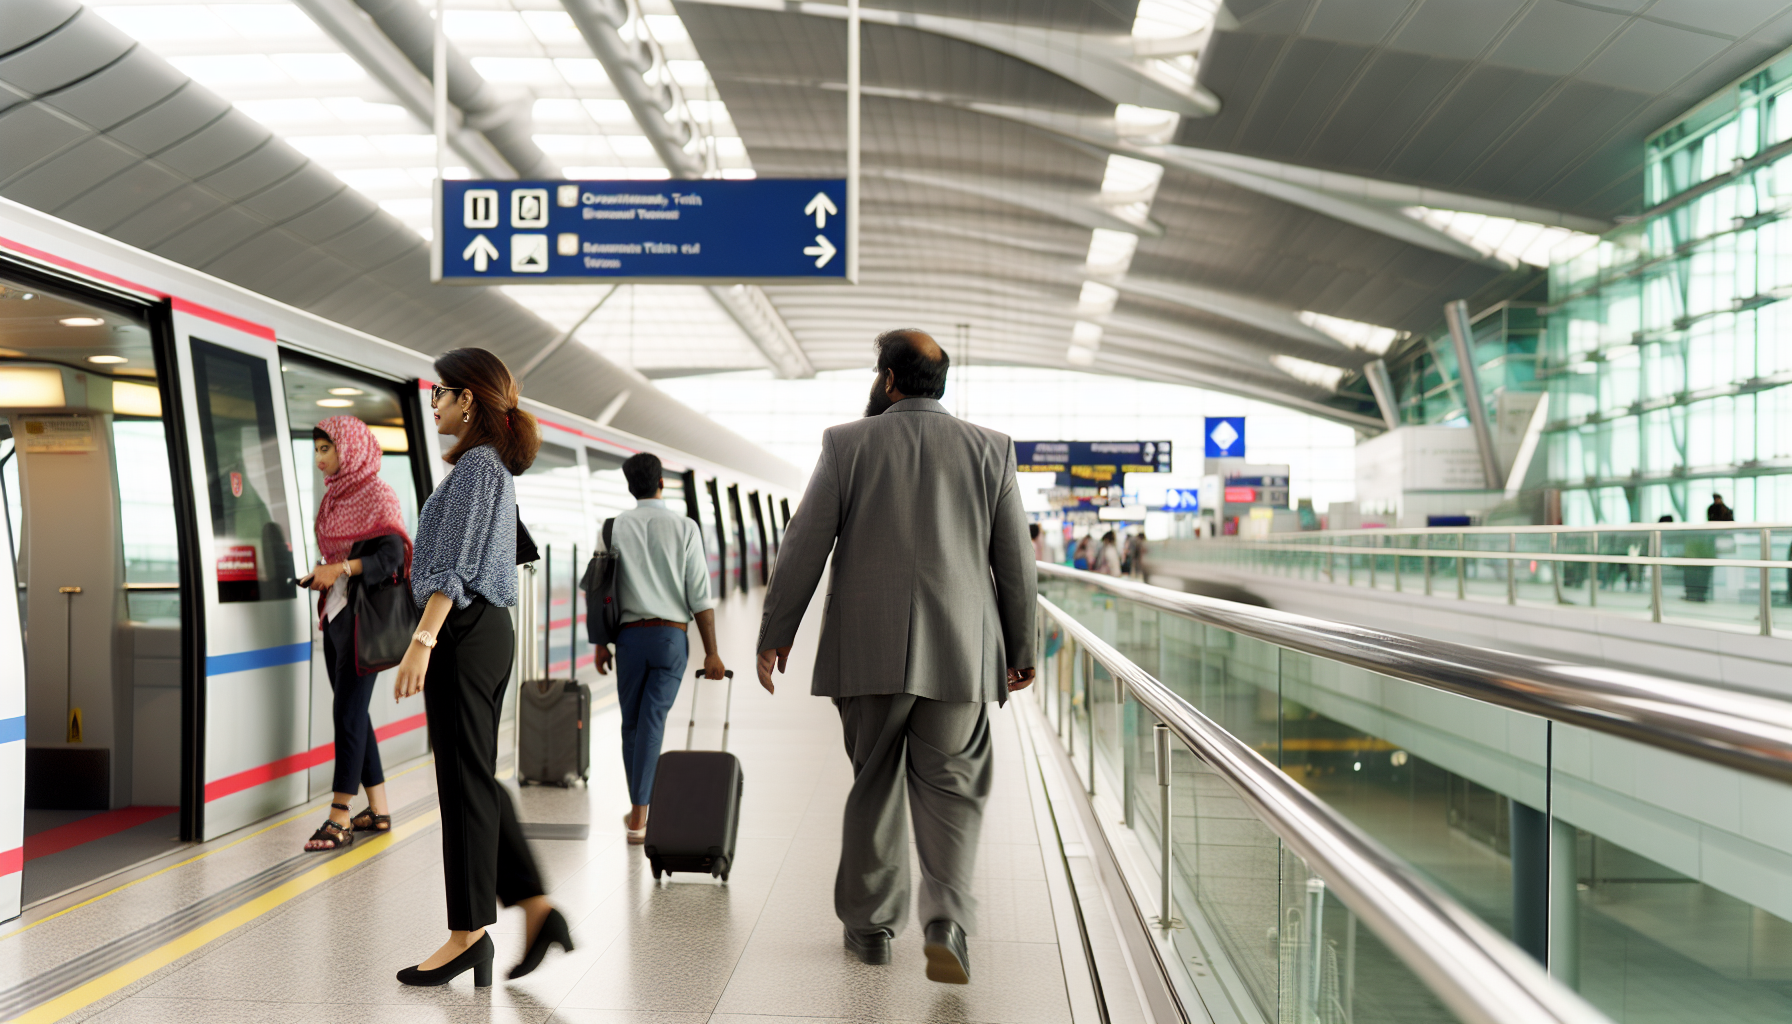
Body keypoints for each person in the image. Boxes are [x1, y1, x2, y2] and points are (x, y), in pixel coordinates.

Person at [754, 329, 1036, 985]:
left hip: (869, 650)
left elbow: (804, 545)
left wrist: (777, 632)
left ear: (888, 380)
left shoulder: (846, 444)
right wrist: (1020, 645)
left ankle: (872, 929)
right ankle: (946, 921)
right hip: (963, 653)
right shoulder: (990, 449)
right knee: (954, 791)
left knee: (874, 782)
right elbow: (1014, 562)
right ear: (942, 382)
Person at [394, 348, 570, 987]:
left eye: (440, 391)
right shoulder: (487, 468)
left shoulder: (477, 469)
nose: (433, 402)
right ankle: (533, 905)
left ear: (469, 399)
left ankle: (468, 934)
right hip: (484, 631)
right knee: (473, 778)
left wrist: (423, 639)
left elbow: (460, 564)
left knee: (463, 784)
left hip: (464, 631)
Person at [594, 451, 727, 843]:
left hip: (629, 639)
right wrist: (711, 651)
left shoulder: (612, 527)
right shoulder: (685, 527)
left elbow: (600, 590)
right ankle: (639, 815)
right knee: (652, 720)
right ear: (661, 483)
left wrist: (601, 644)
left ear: (630, 485)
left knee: (631, 724)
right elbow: (699, 595)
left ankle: (638, 811)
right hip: (671, 638)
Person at [301, 416, 410, 852]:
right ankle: (378, 809)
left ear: (350, 449)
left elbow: (393, 555)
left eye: (326, 449)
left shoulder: (378, 494)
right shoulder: (333, 499)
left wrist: (340, 568)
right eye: (316, 450)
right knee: (353, 712)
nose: (319, 459)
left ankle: (339, 815)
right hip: (337, 614)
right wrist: (325, 576)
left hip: (366, 620)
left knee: (347, 712)